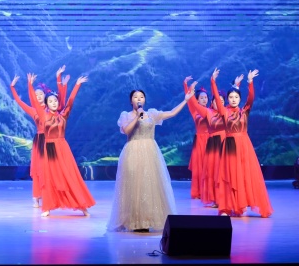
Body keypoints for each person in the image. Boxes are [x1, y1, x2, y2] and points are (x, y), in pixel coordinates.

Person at [107, 83, 196, 232]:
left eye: (141, 97)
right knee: (133, 186)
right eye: (135, 97)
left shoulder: (152, 114)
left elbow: (171, 113)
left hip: (150, 153)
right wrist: (137, 116)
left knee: (149, 185)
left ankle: (148, 219)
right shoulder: (126, 115)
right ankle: (134, 220)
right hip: (132, 152)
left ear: (145, 100)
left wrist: (186, 100)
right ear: (131, 101)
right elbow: (127, 130)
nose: (139, 99)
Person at [28, 73, 94, 217]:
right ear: (46, 104)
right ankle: (47, 206)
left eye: (55, 101)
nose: (54, 103)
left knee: (69, 176)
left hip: (62, 148)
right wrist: (30, 85)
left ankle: (82, 205)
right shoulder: (43, 115)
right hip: (49, 148)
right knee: (49, 177)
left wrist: (77, 85)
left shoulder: (63, 116)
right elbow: (33, 100)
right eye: (50, 101)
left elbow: (70, 101)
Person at [210, 68, 272, 217]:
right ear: (227, 99)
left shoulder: (244, 111)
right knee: (229, 176)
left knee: (246, 175)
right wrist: (213, 81)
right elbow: (217, 99)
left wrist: (250, 82)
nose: (233, 99)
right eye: (230, 97)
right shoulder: (224, 111)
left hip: (244, 146)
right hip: (230, 147)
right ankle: (226, 207)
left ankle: (244, 204)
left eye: (236, 97)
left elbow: (251, 98)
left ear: (239, 99)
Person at [10, 66, 69, 208]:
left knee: (53, 169)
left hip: (52, 142)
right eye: (36, 95)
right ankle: (37, 196)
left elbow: (61, 99)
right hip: (40, 141)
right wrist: (13, 87)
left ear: (45, 95)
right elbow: (19, 101)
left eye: (41, 94)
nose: (38, 96)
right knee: (39, 170)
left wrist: (59, 79)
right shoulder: (34, 111)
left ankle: (54, 194)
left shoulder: (52, 110)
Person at [184, 76, 226, 207]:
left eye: (206, 98)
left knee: (210, 168)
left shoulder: (210, 111)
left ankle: (210, 192)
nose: (204, 99)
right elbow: (189, 100)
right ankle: (198, 191)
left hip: (211, 140)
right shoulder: (195, 111)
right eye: (201, 98)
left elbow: (220, 103)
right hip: (200, 142)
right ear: (197, 99)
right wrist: (187, 86)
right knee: (199, 167)